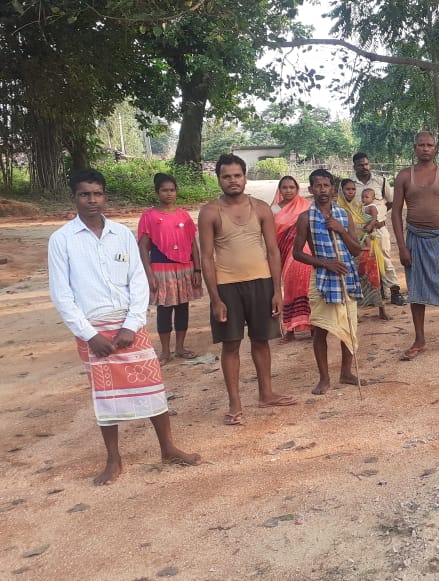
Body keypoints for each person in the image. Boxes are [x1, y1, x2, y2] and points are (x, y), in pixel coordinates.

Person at [48, 169, 199, 485]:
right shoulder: (61, 240)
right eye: (85, 194)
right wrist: (90, 335)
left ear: (105, 196)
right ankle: (114, 459)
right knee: (105, 396)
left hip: (129, 327)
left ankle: (168, 448)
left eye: (98, 193)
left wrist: (132, 324)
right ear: (74, 197)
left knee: (152, 385)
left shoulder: (121, 234)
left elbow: (138, 281)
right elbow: (62, 295)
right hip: (93, 329)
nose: (92, 200)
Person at [198, 154, 296, 426]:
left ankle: (266, 393)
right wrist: (215, 298)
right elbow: (206, 257)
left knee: (261, 339)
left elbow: (274, 251)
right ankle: (235, 402)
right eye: (226, 176)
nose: (232, 181)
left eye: (237, 175)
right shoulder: (209, 212)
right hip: (227, 286)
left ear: (245, 176)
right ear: (218, 178)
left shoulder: (262, 208)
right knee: (230, 345)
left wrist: (277, 290)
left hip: (261, 282)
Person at [392, 131, 439, 360]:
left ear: (436, 149)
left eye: (430, 145)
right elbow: (395, 212)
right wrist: (402, 247)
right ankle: (419, 339)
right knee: (416, 289)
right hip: (415, 239)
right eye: (421, 145)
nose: (425, 148)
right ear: (414, 148)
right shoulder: (404, 176)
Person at [292, 169, 364, 394]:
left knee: (349, 327)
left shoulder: (343, 215)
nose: (322, 190)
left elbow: (355, 250)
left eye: (326, 185)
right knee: (320, 329)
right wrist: (325, 263)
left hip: (346, 276)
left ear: (333, 188)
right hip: (322, 278)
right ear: (311, 189)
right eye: (318, 186)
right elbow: (297, 253)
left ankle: (346, 371)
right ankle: (324, 378)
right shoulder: (306, 218)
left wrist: (341, 230)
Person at [137, 173, 204, 363]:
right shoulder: (149, 216)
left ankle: (180, 347)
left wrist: (197, 270)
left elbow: (193, 244)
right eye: (164, 190)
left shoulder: (183, 215)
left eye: (172, 190)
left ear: (176, 192)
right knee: (164, 309)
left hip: (184, 268)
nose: (169, 194)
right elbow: (143, 247)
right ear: (157, 192)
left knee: (183, 308)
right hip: (161, 268)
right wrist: (149, 274)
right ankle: (165, 351)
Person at [348, 152, 405, 305]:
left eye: (366, 164)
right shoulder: (349, 184)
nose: (364, 167)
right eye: (360, 165)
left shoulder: (381, 181)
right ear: (354, 167)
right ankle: (369, 295)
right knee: (363, 261)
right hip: (361, 232)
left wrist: (376, 218)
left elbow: (392, 202)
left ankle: (394, 292)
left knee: (386, 259)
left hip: (380, 229)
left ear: (370, 164)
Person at [270, 175, 313, 342]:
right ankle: (290, 329)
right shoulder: (273, 210)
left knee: (307, 288)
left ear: (297, 189)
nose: (288, 190)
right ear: (279, 190)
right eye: (284, 187)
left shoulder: (306, 206)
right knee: (289, 288)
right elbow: (271, 234)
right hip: (284, 253)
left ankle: (313, 327)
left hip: (306, 253)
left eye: (291, 187)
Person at [339, 180, 390, 321]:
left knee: (374, 278)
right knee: (352, 280)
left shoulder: (360, 206)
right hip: (348, 249)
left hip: (367, 248)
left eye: (353, 189)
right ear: (341, 191)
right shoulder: (337, 208)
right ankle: (353, 313)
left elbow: (374, 221)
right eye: (347, 189)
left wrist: (372, 224)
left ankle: (381, 309)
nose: (351, 192)